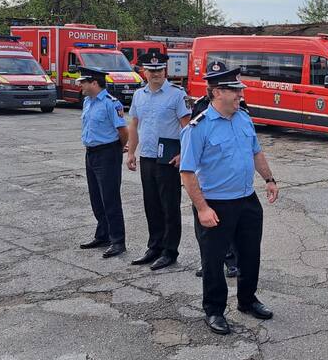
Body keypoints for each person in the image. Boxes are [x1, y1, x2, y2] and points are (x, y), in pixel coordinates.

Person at [180, 62, 279, 335]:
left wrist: (269, 180)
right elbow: (187, 173)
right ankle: (214, 310)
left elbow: (256, 152)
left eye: (239, 90)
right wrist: (202, 209)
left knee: (250, 256)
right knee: (213, 261)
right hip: (215, 203)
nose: (240, 95)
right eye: (235, 90)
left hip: (247, 199)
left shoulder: (244, 118)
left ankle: (247, 300)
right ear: (217, 92)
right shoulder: (198, 127)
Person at [125, 52, 191, 270]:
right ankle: (154, 246)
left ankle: (169, 251)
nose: (155, 74)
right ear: (144, 72)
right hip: (148, 157)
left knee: (169, 206)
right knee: (151, 204)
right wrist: (131, 152)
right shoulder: (139, 95)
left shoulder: (177, 95)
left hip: (169, 159)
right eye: (151, 70)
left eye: (159, 70)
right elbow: (134, 125)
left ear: (166, 71)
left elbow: (187, 127)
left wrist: (184, 153)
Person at [78, 66, 129, 258]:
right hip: (91, 153)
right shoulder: (87, 102)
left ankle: (118, 241)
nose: (80, 85)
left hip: (108, 153)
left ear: (94, 83)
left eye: (83, 82)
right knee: (96, 198)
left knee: (110, 198)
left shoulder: (111, 103)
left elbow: (123, 131)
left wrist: (119, 148)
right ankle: (103, 234)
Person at [189, 92, 240, 280]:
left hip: (230, 186)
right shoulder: (200, 106)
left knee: (231, 230)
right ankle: (208, 263)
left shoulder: (238, 109)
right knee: (207, 234)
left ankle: (230, 262)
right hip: (207, 187)